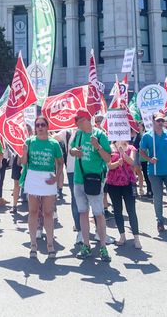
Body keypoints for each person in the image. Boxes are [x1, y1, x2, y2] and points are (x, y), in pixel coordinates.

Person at [70, 109, 112, 261]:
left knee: (98, 213)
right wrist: (74, 151)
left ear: (86, 119)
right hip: (79, 180)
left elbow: (108, 159)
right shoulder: (78, 134)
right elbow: (71, 151)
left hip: (95, 181)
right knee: (83, 213)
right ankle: (86, 245)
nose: (76, 123)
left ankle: (103, 247)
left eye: (78, 120)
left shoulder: (100, 135)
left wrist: (98, 146)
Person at [23, 117, 64, 257]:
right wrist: (23, 151)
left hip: (48, 177)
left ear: (47, 126)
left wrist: (57, 177)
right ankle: (33, 244)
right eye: (37, 125)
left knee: (48, 212)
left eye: (42, 125)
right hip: (33, 177)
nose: (40, 127)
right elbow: (22, 162)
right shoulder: (29, 141)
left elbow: (60, 162)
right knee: (33, 211)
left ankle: (50, 244)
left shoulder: (54, 144)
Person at [106, 138, 142, 249]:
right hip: (113, 184)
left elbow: (132, 162)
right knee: (117, 210)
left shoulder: (131, 148)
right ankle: (122, 235)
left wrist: (123, 153)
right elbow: (109, 165)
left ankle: (136, 238)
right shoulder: (109, 148)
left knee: (131, 210)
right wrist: (117, 163)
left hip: (128, 184)